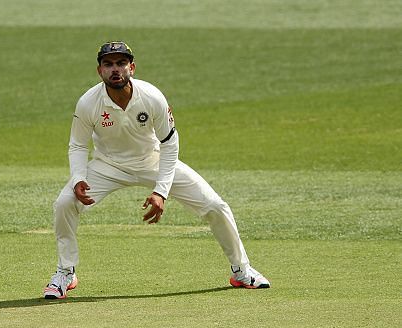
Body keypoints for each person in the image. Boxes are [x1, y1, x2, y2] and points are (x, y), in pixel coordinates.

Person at [44, 41, 269, 299]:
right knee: (64, 203)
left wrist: (161, 191)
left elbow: (170, 144)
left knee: (215, 206)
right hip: (108, 165)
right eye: (108, 64)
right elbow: (77, 145)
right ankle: (66, 272)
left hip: (153, 160)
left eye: (121, 63)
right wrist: (78, 178)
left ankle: (241, 270)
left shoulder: (151, 97)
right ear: (100, 71)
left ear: (132, 67)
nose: (115, 69)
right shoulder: (88, 103)